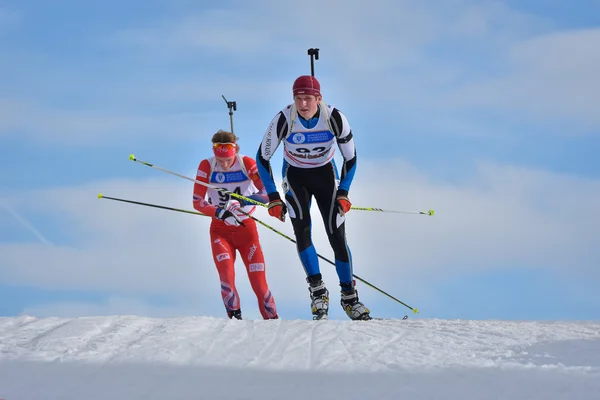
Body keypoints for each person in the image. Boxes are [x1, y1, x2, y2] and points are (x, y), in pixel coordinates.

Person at [255, 75, 371, 320]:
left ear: (319, 98)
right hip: (296, 177)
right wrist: (274, 196)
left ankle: (349, 297)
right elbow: (262, 158)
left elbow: (350, 158)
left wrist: (344, 192)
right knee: (302, 230)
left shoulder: (334, 118)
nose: (303, 104)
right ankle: (318, 291)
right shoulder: (284, 119)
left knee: (336, 235)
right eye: (298, 99)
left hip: (325, 176)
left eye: (308, 98)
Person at [193, 129, 278, 320]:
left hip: (246, 229)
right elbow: (197, 201)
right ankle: (234, 320)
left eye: (227, 161)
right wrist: (219, 212)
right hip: (220, 230)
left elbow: (266, 195)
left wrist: (243, 201)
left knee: (258, 281)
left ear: (235, 151)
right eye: (220, 160)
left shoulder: (245, 163)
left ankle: (272, 321)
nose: (223, 165)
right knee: (226, 276)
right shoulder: (207, 165)